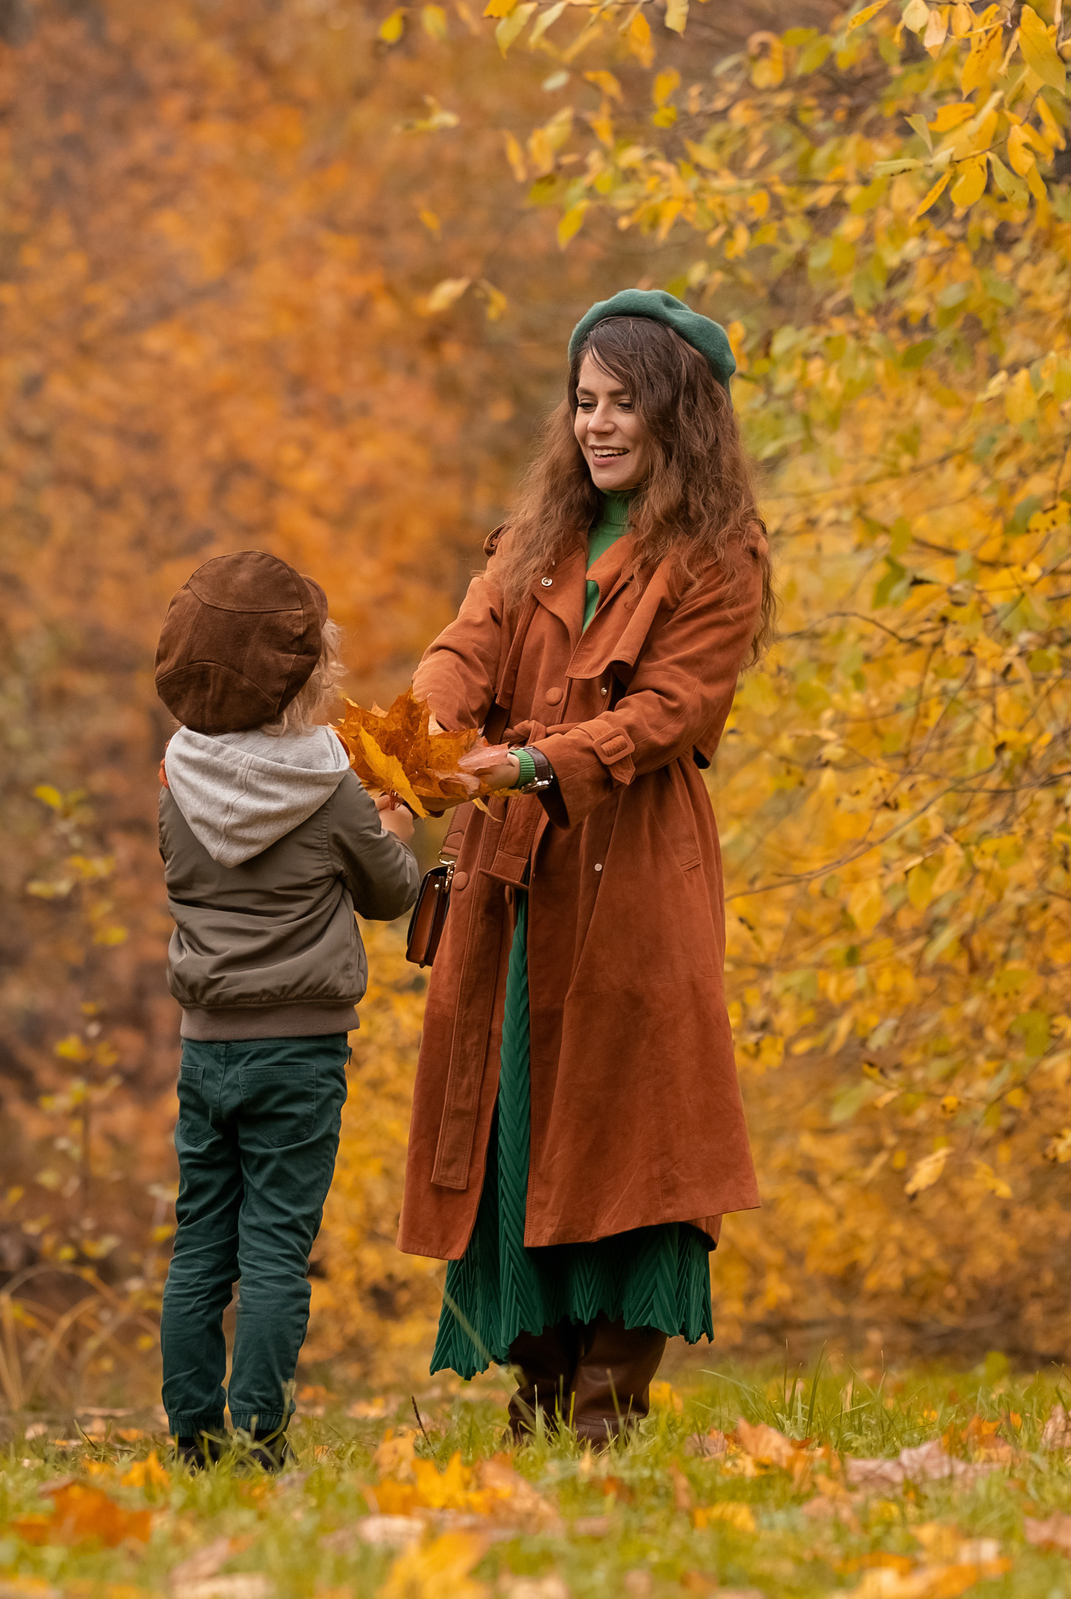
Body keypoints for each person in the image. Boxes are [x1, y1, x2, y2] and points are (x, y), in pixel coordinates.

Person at [399, 288, 773, 1445]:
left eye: (622, 404)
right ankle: (540, 1394)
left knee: (633, 1133)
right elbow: (464, 648)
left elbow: (670, 712)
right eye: (582, 402)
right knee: (507, 1123)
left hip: (636, 885)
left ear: (679, 416)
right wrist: (420, 731)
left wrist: (526, 766)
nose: (596, 425)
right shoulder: (536, 541)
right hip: (511, 891)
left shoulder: (719, 557)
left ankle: (609, 1409)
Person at [153, 550, 421, 1468]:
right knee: (273, 1251)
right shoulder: (328, 785)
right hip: (300, 1053)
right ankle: (261, 1438)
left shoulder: (177, 783)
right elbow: (391, 893)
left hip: (204, 1051)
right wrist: (394, 828)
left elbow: (189, 878)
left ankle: (193, 1437)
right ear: (302, 676)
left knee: (200, 1248)